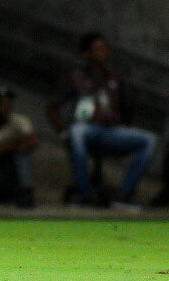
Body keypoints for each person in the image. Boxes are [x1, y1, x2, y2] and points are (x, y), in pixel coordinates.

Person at [47, 32, 156, 209]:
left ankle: (123, 195)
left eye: (104, 48)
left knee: (149, 140)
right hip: (85, 131)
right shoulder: (76, 77)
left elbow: (128, 110)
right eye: (97, 49)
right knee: (76, 131)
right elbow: (51, 107)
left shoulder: (116, 79)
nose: (103, 52)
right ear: (87, 54)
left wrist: (121, 127)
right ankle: (85, 195)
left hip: (111, 132)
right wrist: (62, 133)